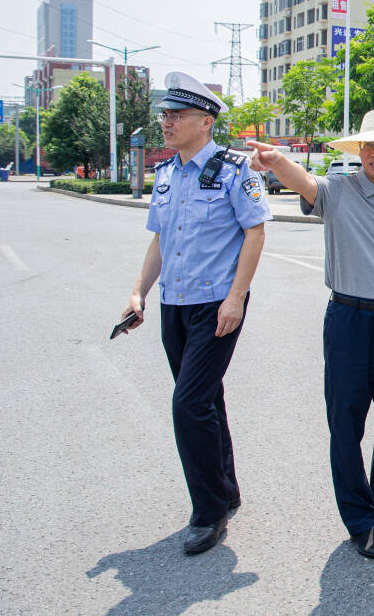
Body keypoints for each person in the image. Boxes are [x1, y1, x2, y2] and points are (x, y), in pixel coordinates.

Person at [248, 109, 374, 560]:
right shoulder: (338, 192)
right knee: (346, 424)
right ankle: (359, 519)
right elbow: (304, 182)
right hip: (350, 321)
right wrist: (278, 161)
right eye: (367, 146)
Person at [120, 72, 271, 554]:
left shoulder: (234, 170)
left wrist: (236, 297)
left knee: (188, 406)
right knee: (206, 400)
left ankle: (208, 512)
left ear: (205, 122)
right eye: (165, 115)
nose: (166, 122)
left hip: (217, 306)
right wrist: (138, 292)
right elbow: (160, 240)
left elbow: (255, 233)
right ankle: (226, 489)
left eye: (176, 115)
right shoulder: (166, 175)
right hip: (175, 306)